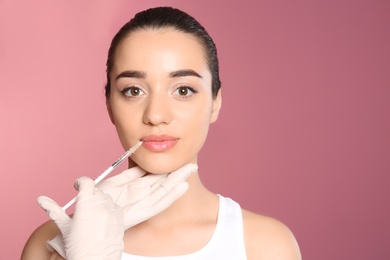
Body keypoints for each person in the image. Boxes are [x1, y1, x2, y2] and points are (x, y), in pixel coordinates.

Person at [21, 6, 301, 260]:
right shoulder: (50, 245)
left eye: (183, 90)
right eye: (133, 91)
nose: (155, 115)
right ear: (109, 105)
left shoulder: (265, 245)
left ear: (215, 102)